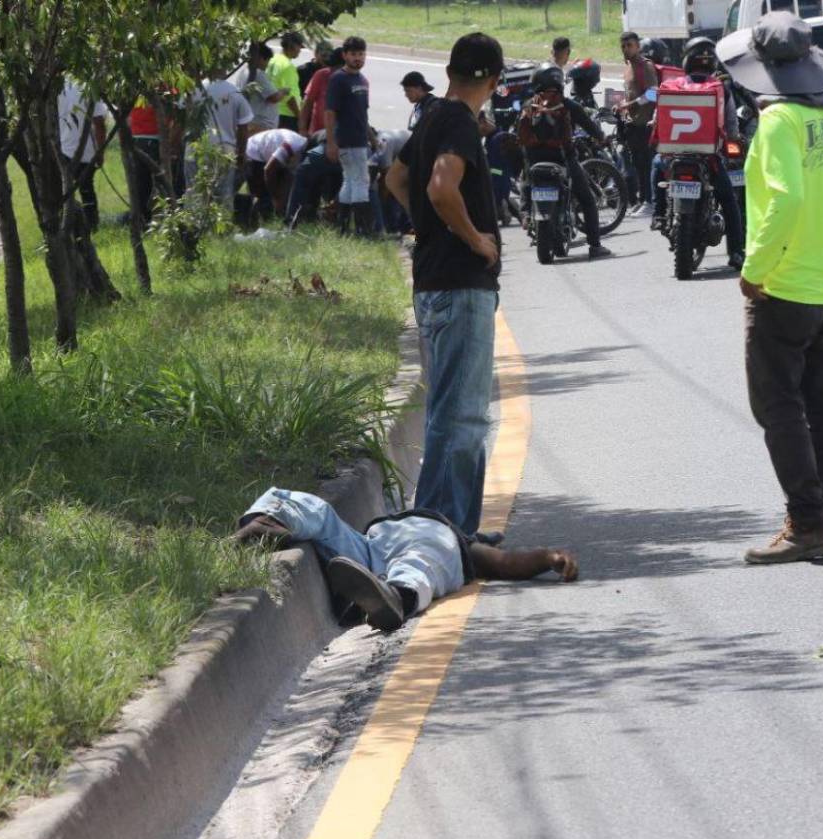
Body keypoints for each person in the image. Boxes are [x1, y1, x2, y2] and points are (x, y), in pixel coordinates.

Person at [716, 12, 823, 564]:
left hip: (783, 290)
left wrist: (756, 268)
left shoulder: (779, 121)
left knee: (778, 406)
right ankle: (819, 516)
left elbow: (783, 200)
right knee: (820, 403)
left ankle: (807, 523)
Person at [384, 33, 505, 536]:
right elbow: (440, 186)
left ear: (452, 71)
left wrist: (432, 227)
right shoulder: (458, 121)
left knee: (448, 412)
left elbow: (392, 179)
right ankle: (439, 533)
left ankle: (457, 531)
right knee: (463, 418)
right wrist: (475, 239)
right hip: (459, 285)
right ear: (493, 80)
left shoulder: (433, 114)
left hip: (433, 283)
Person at [233, 488, 579, 632]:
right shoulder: (403, 528)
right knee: (322, 514)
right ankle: (267, 520)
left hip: (419, 549)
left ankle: (396, 598)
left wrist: (547, 557)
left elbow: (506, 563)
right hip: (371, 549)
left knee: (418, 566)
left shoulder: (460, 546)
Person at [651, 37, 746, 270]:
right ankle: (736, 252)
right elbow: (732, 126)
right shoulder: (721, 88)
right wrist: (735, 138)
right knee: (730, 202)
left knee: (655, 167)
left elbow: (657, 120)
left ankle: (658, 213)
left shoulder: (672, 86)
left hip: (674, 157)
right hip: (708, 160)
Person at [517, 65, 612, 260]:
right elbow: (590, 125)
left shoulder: (528, 105)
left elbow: (517, 133)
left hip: (534, 161)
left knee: (525, 186)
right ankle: (595, 246)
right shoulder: (567, 104)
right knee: (587, 199)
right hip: (563, 159)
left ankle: (526, 215)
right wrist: (601, 137)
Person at [325, 36, 372, 235]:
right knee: (361, 180)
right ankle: (361, 229)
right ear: (344, 55)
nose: (358, 58)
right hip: (347, 139)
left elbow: (363, 114)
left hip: (361, 138)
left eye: (361, 54)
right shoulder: (338, 79)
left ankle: (343, 227)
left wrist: (373, 137)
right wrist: (330, 142)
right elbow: (329, 112)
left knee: (350, 180)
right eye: (353, 54)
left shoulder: (362, 80)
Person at [188, 70, 254, 206]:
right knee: (222, 196)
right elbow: (243, 127)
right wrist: (241, 153)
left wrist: (173, 145)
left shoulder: (194, 90)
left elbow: (179, 121)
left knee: (194, 194)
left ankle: (193, 225)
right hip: (224, 149)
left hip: (194, 149)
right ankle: (220, 225)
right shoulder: (235, 92)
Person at [617, 31, 658, 216]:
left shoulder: (645, 66)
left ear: (638, 46)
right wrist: (621, 107)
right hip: (632, 125)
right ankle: (642, 200)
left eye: (629, 46)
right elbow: (629, 94)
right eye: (623, 46)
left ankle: (650, 201)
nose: (626, 49)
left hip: (646, 124)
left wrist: (631, 104)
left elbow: (653, 93)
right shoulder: (627, 67)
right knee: (638, 165)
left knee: (647, 164)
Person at [57, 80, 107, 228]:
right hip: (86, 151)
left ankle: (67, 224)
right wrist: (100, 152)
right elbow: (100, 123)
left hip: (63, 148)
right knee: (86, 190)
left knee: (64, 191)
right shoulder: (89, 85)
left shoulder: (58, 86)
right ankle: (91, 224)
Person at [244, 127, 307, 221]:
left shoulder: (301, 148)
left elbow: (290, 177)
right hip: (254, 153)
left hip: (270, 155)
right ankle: (257, 222)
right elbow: (268, 170)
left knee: (284, 189)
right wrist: (275, 197)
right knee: (263, 195)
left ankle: (278, 217)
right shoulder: (292, 145)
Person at [233, 42, 281, 133]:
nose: (267, 65)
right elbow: (273, 97)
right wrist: (283, 91)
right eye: (267, 61)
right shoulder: (258, 74)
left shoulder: (243, 72)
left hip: (250, 121)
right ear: (261, 59)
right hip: (259, 125)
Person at [300, 47, 344, 137]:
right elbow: (307, 103)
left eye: (336, 67)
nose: (332, 70)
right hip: (317, 134)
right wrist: (302, 129)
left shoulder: (355, 81)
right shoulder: (321, 75)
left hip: (341, 135)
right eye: (331, 67)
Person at [273, 32, 305, 130]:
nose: (300, 51)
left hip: (275, 113)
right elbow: (289, 97)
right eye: (299, 47)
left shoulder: (274, 60)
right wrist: (300, 118)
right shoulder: (287, 66)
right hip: (287, 116)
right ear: (293, 46)